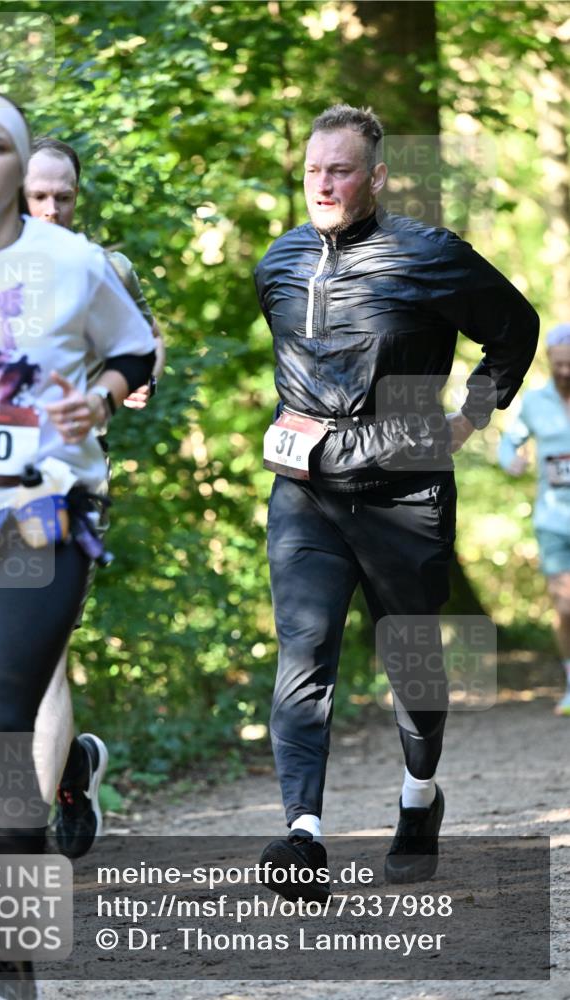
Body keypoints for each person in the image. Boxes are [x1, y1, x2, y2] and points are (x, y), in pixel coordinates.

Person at [0, 92, 156, 1000]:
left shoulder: (74, 262)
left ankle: (5, 969)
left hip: (43, 516)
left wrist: (105, 392)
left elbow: (139, 352)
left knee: (5, 724)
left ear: (20, 166)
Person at [253, 104, 539, 897]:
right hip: (304, 491)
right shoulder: (277, 263)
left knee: (411, 665)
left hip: (404, 485)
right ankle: (302, 834)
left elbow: (515, 327)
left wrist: (471, 415)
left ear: (375, 176)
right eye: (313, 169)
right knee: (302, 655)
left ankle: (419, 798)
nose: (323, 183)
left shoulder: (428, 253)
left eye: (339, 169)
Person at [22, 136, 164, 859]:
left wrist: (132, 381)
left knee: (40, 657)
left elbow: (145, 343)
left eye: (63, 197)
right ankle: (72, 766)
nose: (50, 209)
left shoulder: (101, 269)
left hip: (65, 486)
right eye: (38, 195)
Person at [499, 322, 570, 716]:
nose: (566, 372)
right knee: (565, 606)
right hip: (554, 520)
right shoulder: (535, 402)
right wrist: (512, 460)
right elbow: (510, 440)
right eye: (559, 365)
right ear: (549, 362)